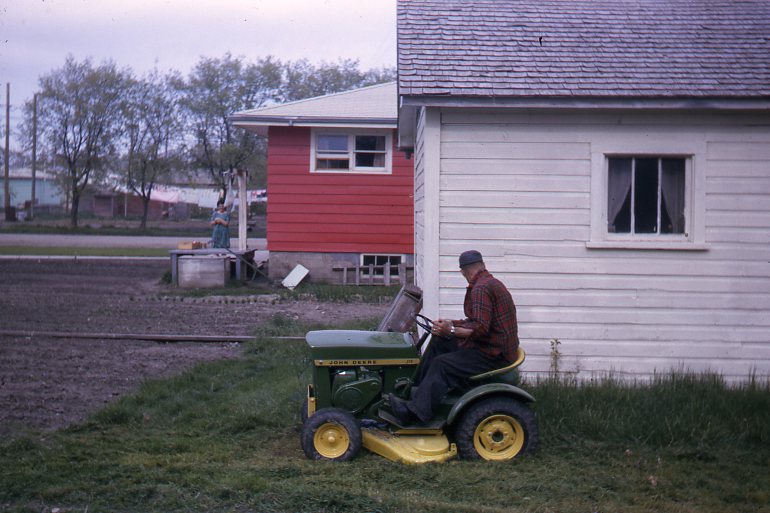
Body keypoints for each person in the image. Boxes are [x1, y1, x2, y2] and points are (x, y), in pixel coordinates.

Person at [389, 250, 519, 424]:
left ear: (463, 271)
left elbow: (480, 328)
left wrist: (450, 330)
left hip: (493, 354)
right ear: (482, 265)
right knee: (439, 342)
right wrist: (451, 323)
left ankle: (415, 413)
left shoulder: (480, 289)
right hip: (493, 346)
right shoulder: (489, 283)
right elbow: (476, 322)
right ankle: (416, 393)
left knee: (442, 364)